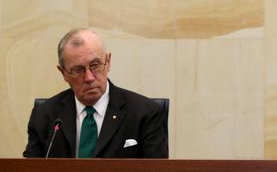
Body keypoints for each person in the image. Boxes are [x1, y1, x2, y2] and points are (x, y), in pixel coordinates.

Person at [23, 28, 168, 158]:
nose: (89, 77)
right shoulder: (44, 115)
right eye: (78, 70)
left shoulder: (145, 113)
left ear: (108, 62)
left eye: (95, 65)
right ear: (63, 73)